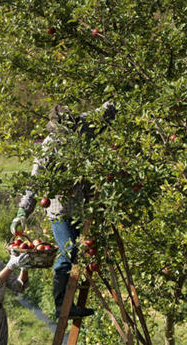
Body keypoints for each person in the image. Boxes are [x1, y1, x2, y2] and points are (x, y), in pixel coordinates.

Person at [10, 102, 116, 319]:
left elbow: (104, 112)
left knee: (81, 253)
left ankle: (71, 303)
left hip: (85, 207)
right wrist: (23, 211)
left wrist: (123, 95)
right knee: (68, 252)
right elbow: (36, 180)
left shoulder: (83, 126)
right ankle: (61, 305)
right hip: (60, 208)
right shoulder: (50, 146)